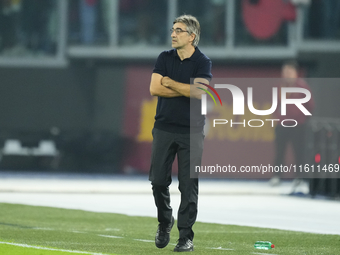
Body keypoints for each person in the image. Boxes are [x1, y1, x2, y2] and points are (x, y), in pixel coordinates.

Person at [148, 15, 212, 252]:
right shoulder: (164, 57)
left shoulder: (203, 62)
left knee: (188, 186)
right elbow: (155, 88)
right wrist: (186, 88)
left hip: (192, 131)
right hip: (164, 128)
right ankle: (165, 222)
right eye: (172, 30)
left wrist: (171, 84)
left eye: (178, 30)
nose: (173, 34)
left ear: (191, 36)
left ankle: (186, 237)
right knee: (157, 182)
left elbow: (199, 93)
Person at [270, 60, 314, 187]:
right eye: (285, 71)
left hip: (298, 126)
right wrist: (278, 117)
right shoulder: (280, 86)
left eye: (289, 71)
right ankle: (277, 176)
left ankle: (299, 177)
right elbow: (276, 104)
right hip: (282, 125)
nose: (287, 74)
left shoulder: (302, 87)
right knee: (279, 151)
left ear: (295, 73)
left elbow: (310, 106)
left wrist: (301, 118)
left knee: (298, 151)